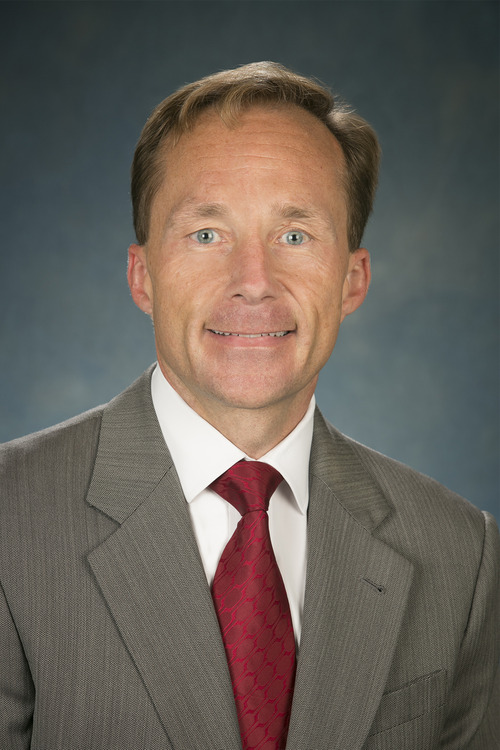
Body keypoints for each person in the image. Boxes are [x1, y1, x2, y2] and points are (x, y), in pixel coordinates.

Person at [0, 62, 498, 750]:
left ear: (352, 280)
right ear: (143, 276)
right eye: (207, 234)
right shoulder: (11, 521)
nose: (254, 282)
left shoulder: (460, 553)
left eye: (294, 236)